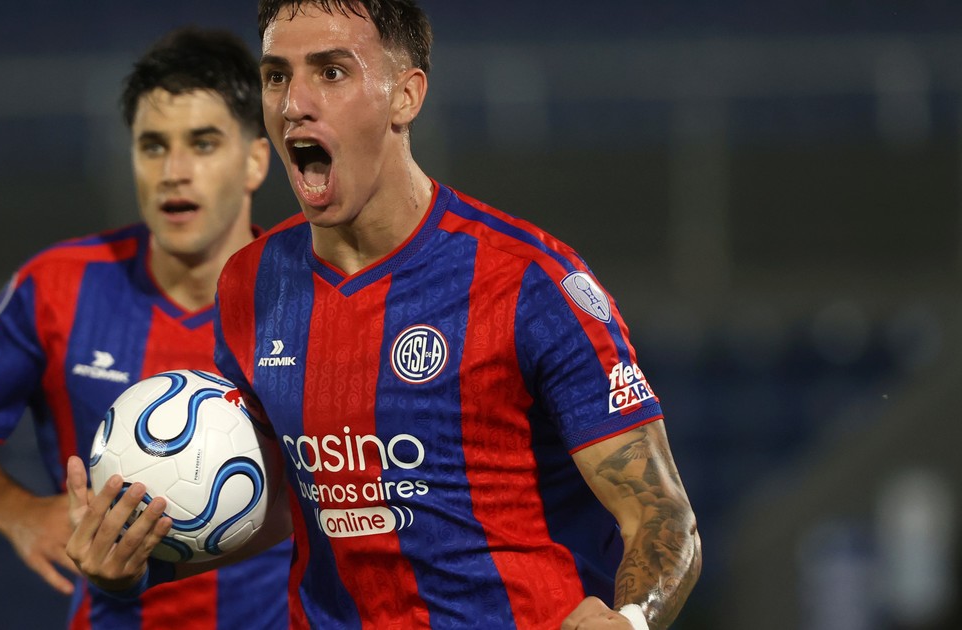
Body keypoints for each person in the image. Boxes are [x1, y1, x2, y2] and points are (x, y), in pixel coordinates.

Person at [66, 1, 702, 628]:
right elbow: (280, 500)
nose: (294, 103)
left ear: (406, 96)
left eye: (331, 72)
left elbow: (661, 515)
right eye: (277, 76)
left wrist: (630, 619)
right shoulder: (251, 283)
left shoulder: (529, 282)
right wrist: (136, 561)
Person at [0, 26, 291, 630]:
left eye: (203, 143)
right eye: (152, 146)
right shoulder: (58, 286)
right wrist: (18, 512)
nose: (174, 171)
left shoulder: (308, 294)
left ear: (254, 161)